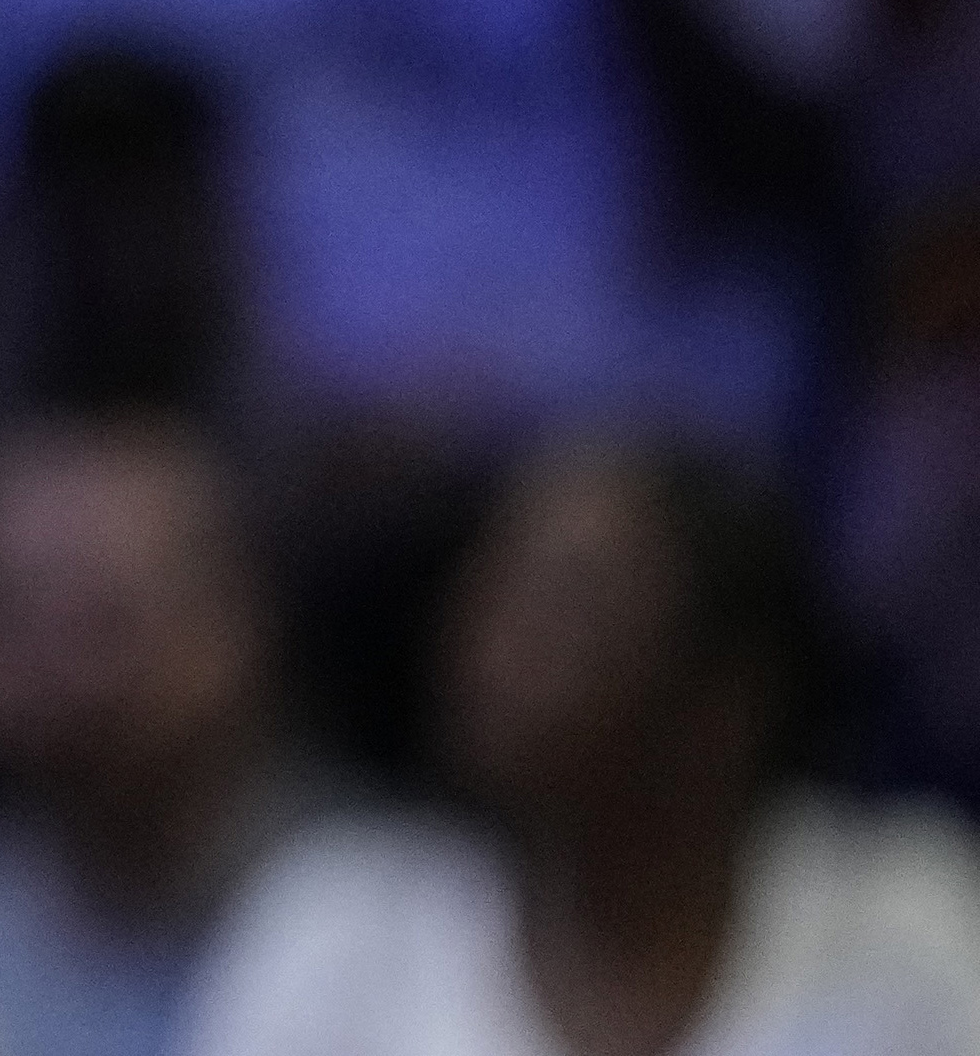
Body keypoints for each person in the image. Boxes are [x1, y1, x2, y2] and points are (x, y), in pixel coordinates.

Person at [180, 433, 980, 1056]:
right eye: (489, 588)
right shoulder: (338, 925)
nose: (489, 645)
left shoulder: (908, 921)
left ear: (725, 700)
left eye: (565, 604)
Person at [0, 413, 317, 1056]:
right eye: (20, 617)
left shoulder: (399, 916)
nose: (70, 669)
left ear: (246, 623)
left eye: (110, 615)